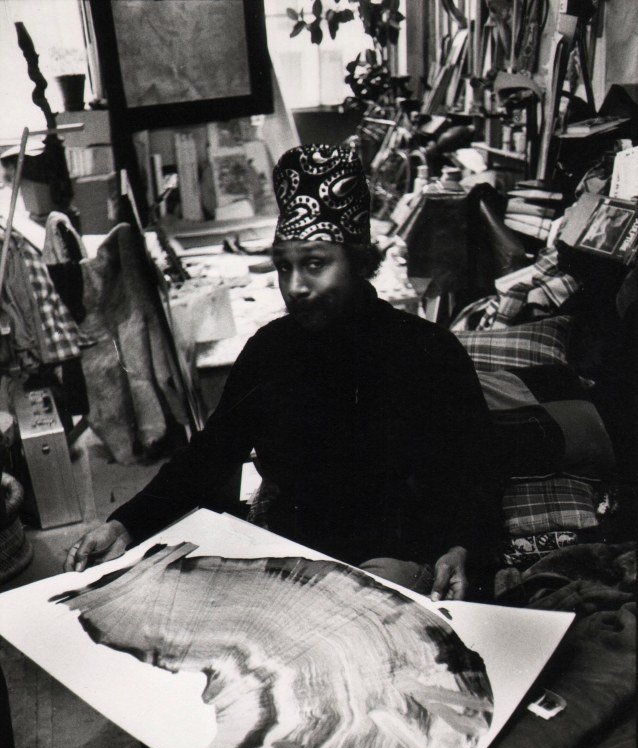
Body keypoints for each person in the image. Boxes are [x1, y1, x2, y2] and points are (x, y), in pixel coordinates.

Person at [65, 143, 498, 601]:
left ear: (357, 261)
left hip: (396, 553)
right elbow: (211, 453)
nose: (295, 287)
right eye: (284, 266)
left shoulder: (427, 350)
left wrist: (463, 545)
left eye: (315, 264)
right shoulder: (271, 351)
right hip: (292, 550)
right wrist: (125, 523)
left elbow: (477, 467)